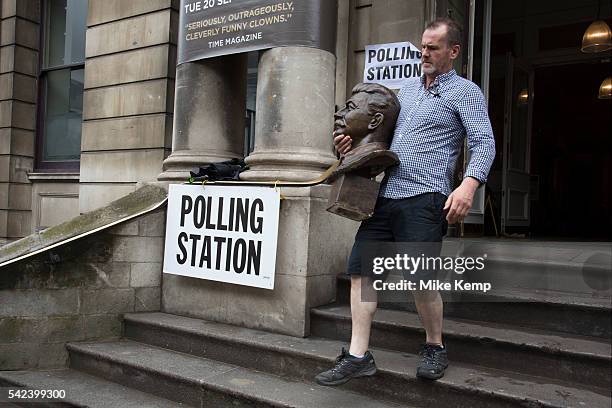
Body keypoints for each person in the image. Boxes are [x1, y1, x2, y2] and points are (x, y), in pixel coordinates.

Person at [315, 17, 495, 386]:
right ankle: (358, 355)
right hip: (386, 196)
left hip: (426, 198)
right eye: (422, 47)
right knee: (361, 274)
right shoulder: (405, 93)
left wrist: (468, 185)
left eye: (433, 48)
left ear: (453, 51)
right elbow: (374, 136)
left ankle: (434, 346)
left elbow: (484, 142)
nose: (424, 54)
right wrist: (347, 145)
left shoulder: (465, 92)